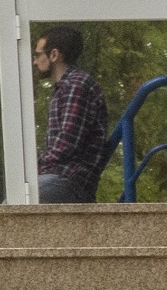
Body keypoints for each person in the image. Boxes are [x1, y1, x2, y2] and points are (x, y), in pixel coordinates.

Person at [35, 25, 113, 202]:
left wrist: (34, 168)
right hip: (62, 178)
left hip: (70, 180)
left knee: (13, 203)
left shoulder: (75, 85)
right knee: (15, 200)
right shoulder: (67, 87)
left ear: (54, 55)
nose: (35, 61)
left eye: (38, 55)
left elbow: (67, 143)